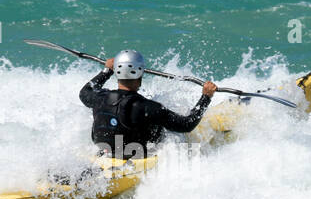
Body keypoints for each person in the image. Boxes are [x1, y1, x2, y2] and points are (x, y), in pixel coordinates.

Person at [79, 50, 217, 159]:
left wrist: (106, 71)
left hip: (106, 151)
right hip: (134, 155)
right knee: (164, 126)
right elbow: (186, 125)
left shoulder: (99, 97)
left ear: (117, 72)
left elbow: (85, 91)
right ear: (140, 73)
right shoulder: (146, 107)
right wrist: (206, 97)